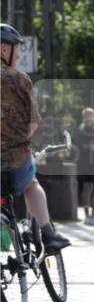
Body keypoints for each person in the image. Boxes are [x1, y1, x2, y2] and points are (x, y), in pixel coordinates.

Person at [0, 23, 70, 250]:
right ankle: (48, 235)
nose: (19, 56)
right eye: (16, 49)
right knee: (32, 185)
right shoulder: (20, 80)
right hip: (16, 159)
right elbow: (32, 123)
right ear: (3, 49)